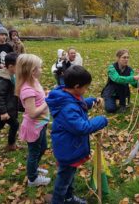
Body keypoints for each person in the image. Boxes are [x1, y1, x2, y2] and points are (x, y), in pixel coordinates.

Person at [45, 65, 108, 204]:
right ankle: (57, 200)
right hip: (68, 148)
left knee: (69, 176)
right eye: (85, 88)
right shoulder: (67, 107)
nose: (86, 90)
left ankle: (68, 197)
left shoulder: (68, 95)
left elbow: (76, 105)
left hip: (71, 146)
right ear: (77, 86)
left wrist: (90, 101)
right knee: (64, 179)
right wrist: (101, 120)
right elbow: (81, 127)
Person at [15, 54, 51, 187]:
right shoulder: (27, 89)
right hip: (34, 126)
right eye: (39, 67)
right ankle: (32, 179)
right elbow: (33, 113)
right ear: (32, 71)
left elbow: (39, 99)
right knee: (34, 152)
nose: (42, 69)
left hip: (42, 124)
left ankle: (34, 167)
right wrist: (47, 101)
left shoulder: (34, 82)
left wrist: (45, 94)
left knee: (43, 148)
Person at [101, 49, 139, 113]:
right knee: (110, 109)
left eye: (127, 57)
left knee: (123, 109)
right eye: (124, 57)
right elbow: (117, 79)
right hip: (111, 91)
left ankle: (122, 103)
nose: (126, 59)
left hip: (123, 92)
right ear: (118, 58)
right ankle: (106, 100)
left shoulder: (129, 70)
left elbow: (134, 83)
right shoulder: (111, 68)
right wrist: (133, 77)